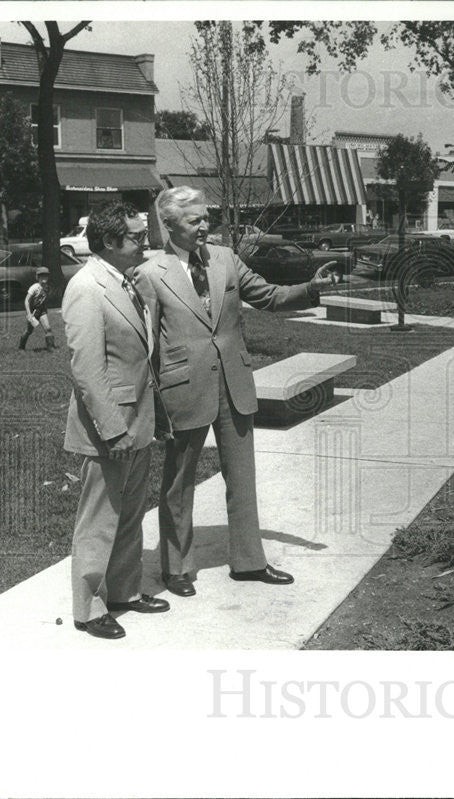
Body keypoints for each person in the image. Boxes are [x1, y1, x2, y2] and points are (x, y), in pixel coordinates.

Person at [134, 186, 340, 598]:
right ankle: (175, 568)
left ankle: (249, 563)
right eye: (195, 220)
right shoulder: (150, 274)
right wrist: (153, 404)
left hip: (234, 383)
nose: (205, 225)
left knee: (242, 477)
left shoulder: (225, 258)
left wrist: (310, 288)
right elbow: (146, 346)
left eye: (206, 217)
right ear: (170, 225)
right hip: (182, 389)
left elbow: (268, 295)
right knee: (179, 482)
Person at [62, 202, 170, 640]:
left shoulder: (127, 282)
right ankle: (88, 609)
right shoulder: (86, 288)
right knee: (100, 520)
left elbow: (140, 358)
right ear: (108, 241)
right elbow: (87, 370)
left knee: (129, 515)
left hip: (137, 422)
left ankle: (124, 591)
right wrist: (114, 430)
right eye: (136, 237)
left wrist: (150, 418)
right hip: (109, 429)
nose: (144, 243)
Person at [19, 267, 55, 351]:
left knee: (48, 328)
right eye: (41, 276)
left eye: (46, 276)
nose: (44, 278)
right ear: (37, 277)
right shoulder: (35, 287)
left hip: (42, 311)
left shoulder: (47, 287)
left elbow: (44, 298)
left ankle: (51, 347)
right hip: (33, 312)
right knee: (29, 331)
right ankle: (21, 346)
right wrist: (29, 313)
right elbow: (26, 300)